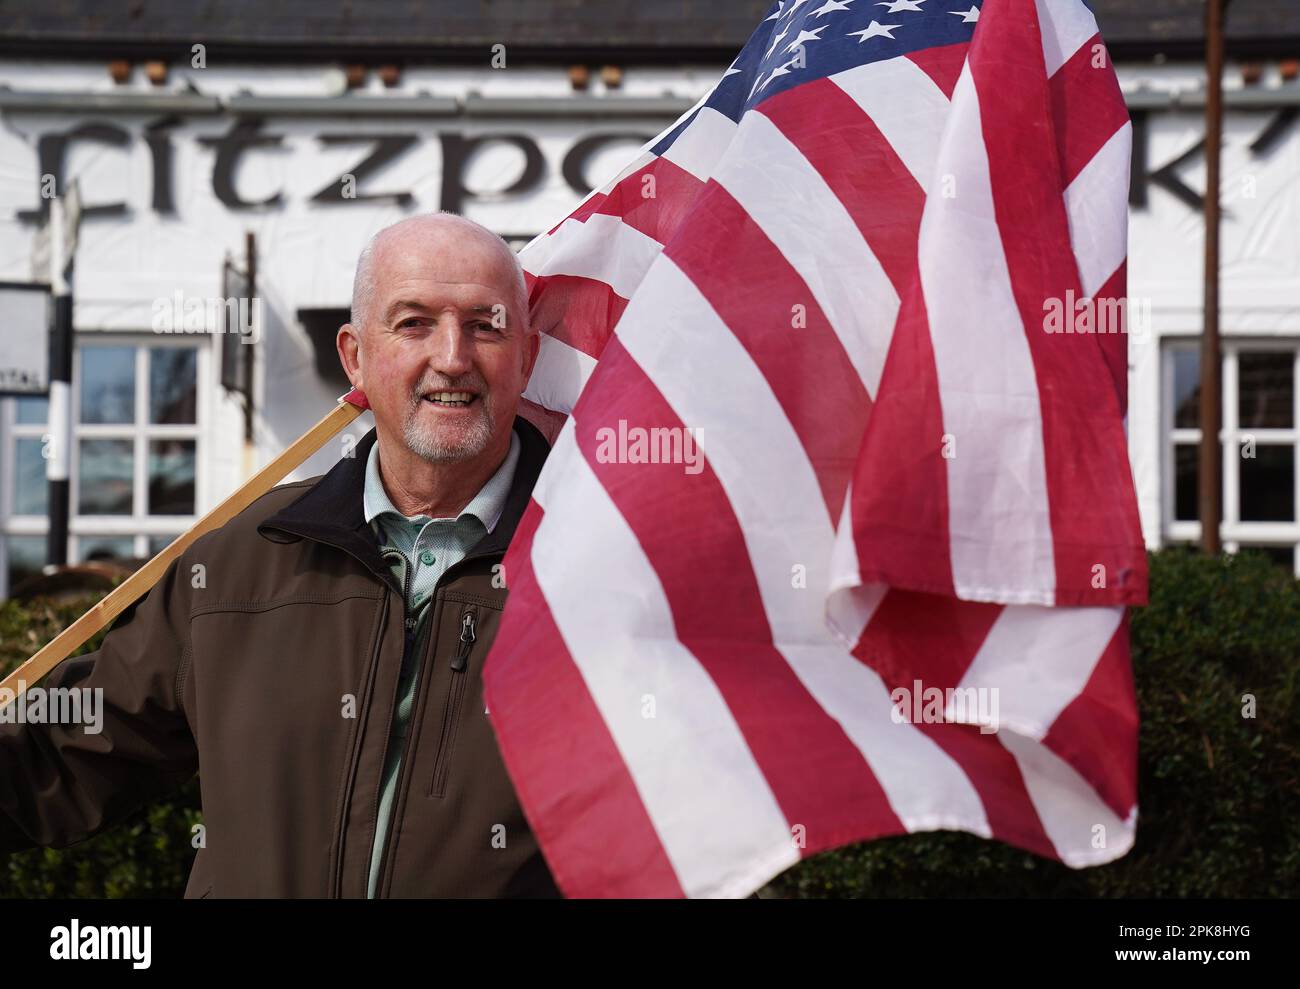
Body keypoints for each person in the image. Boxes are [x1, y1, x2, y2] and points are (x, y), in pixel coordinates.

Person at [0, 212, 560, 898]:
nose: (451, 356)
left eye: (486, 324)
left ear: (527, 355)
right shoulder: (240, 559)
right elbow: (66, 758)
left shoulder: (607, 564)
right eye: (413, 323)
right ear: (355, 355)